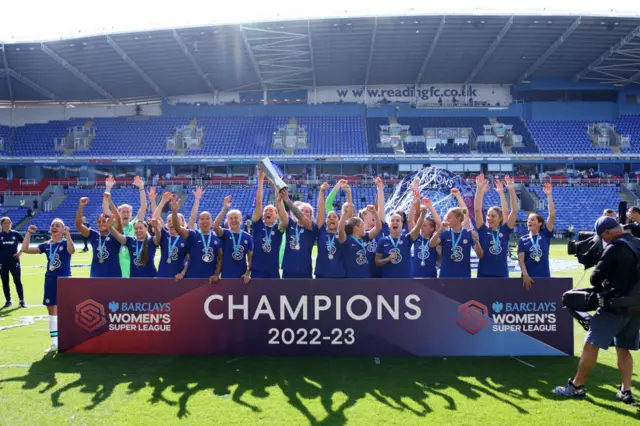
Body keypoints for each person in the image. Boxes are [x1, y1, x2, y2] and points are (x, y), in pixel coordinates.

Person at [554, 216, 640, 404]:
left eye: (602, 236)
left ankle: (576, 386)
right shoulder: (637, 242)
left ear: (609, 232)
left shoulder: (614, 247)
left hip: (614, 306)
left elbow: (595, 278)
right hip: (636, 307)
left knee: (590, 345)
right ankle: (626, 390)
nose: (603, 240)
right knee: (623, 348)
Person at [21, 221, 75, 352]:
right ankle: (54, 343)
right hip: (50, 280)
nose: (54, 227)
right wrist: (28, 233)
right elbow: (25, 249)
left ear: (63, 229)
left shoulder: (64, 243)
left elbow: (72, 250)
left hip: (64, 281)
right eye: (52, 225)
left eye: (58, 225)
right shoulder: (46, 245)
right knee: (52, 311)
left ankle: (69, 340)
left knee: (66, 311)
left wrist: (68, 235)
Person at [102, 175, 148, 278]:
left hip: (132, 261)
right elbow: (105, 210)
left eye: (128, 212)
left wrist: (141, 187)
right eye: (123, 211)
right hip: (116, 261)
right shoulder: (114, 224)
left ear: (131, 214)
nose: (126, 213)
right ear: (119, 212)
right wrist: (108, 188)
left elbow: (144, 207)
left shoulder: (135, 225)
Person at [474, 175, 518, 278]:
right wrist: (479, 189)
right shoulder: (482, 229)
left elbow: (514, 211)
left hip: (501, 274)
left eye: (493, 216)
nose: (489, 218)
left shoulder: (505, 230)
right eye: (488, 215)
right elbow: (477, 210)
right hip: (483, 274)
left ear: (500, 218)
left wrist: (511, 190)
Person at [172, 196, 222, 283]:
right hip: (191, 279)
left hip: (209, 280)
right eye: (202, 219)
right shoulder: (193, 234)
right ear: (198, 221)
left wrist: (217, 274)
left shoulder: (217, 238)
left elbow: (221, 259)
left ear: (212, 221)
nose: (205, 221)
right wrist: (174, 211)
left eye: (207, 218)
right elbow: (177, 228)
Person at [375, 201, 428, 278]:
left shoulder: (407, 238)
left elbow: (417, 227)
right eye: (392, 220)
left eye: (398, 220)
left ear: (402, 224)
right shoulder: (383, 241)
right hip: (388, 280)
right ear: (389, 224)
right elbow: (377, 262)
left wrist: (423, 214)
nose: (395, 222)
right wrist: (388, 259)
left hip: (406, 280)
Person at [251, 169, 288, 279]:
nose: (267, 212)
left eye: (271, 211)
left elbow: (285, 219)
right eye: (266, 210)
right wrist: (261, 180)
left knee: (273, 297)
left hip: (273, 272)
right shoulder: (258, 225)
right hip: (257, 271)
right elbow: (258, 204)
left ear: (276, 215)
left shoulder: (278, 229)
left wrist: (277, 191)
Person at [518, 183, 556, 290]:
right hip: (527, 278)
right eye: (528, 220)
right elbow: (521, 260)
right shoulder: (523, 239)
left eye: (532, 219)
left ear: (540, 223)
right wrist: (525, 275)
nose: (529, 221)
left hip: (544, 276)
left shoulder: (545, 234)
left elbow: (552, 215)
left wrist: (549, 196)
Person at [75, 196, 122, 278]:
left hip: (114, 277)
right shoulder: (94, 235)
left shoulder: (115, 235)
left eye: (104, 221)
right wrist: (81, 206)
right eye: (98, 222)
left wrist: (110, 202)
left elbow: (118, 220)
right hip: (96, 276)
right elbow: (78, 225)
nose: (101, 223)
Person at [429, 208, 483, 278]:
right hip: (446, 275)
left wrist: (476, 241)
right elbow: (431, 244)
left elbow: (480, 255)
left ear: (458, 218)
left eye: (449, 217)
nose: (446, 220)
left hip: (463, 276)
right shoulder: (445, 233)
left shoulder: (468, 234)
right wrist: (440, 230)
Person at [315, 182, 353, 278]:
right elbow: (320, 210)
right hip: (321, 274)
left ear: (339, 220)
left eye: (334, 217)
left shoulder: (342, 231)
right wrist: (322, 191)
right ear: (326, 220)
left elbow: (349, 214)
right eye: (329, 217)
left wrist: (348, 193)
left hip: (339, 275)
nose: (331, 218)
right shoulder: (321, 230)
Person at [213, 195, 253, 283]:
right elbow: (215, 226)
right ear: (227, 221)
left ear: (241, 220)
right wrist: (224, 208)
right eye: (231, 218)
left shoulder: (248, 237)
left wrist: (247, 273)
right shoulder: (225, 233)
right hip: (226, 276)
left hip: (242, 278)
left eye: (236, 218)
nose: (233, 220)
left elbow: (250, 259)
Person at [281, 189, 318, 279]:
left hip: (304, 270)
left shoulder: (312, 227)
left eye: (307, 211)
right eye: (302, 210)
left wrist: (287, 200)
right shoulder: (290, 224)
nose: (303, 213)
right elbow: (281, 213)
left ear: (311, 215)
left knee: (305, 293)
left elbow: (301, 217)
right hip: (288, 269)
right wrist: (279, 200)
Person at [152, 192, 189, 280]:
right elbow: (154, 219)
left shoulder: (186, 238)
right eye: (168, 221)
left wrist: (182, 274)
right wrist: (163, 201)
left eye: (174, 220)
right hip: (162, 276)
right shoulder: (164, 234)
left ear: (182, 223)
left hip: (178, 278)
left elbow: (189, 260)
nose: (171, 222)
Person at [338, 203, 381, 278]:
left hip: (366, 276)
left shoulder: (366, 237)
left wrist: (374, 213)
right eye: (362, 224)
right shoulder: (347, 239)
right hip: (351, 278)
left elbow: (378, 228)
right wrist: (344, 214)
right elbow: (341, 230)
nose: (364, 227)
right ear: (355, 227)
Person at [408, 196, 441, 278]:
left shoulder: (435, 241)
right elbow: (410, 221)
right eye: (421, 225)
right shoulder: (416, 238)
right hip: (415, 276)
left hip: (431, 277)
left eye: (425, 226)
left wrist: (430, 207)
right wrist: (413, 202)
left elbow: (440, 225)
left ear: (432, 228)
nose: (421, 227)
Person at [0, 217, 25, 308]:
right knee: (5, 282)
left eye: (9, 223)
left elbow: (25, 243)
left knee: (17, 281)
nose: (7, 224)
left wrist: (20, 252)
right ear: (2, 225)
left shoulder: (15, 234)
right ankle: (8, 301)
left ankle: (22, 301)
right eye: (5, 223)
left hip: (14, 262)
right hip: (2, 263)